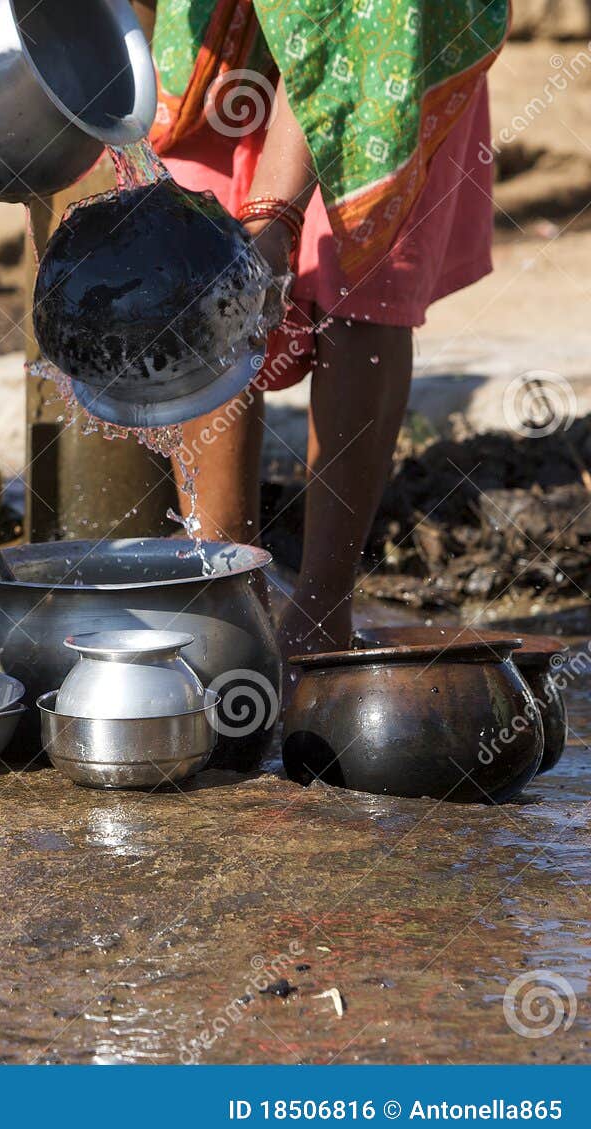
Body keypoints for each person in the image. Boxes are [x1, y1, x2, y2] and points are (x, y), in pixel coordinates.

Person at [150, 0, 508, 655]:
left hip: (381, 29)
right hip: (231, 45)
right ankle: (224, 591)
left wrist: (270, 220)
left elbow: (340, 43)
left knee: (359, 269)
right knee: (201, 263)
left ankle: (322, 613)